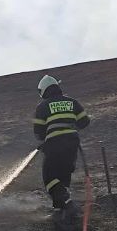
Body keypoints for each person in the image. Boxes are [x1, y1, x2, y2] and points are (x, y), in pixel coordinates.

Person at [33, 75, 90, 217]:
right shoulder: (72, 102)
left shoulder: (43, 106)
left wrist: (45, 141)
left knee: (49, 177)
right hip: (72, 144)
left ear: (44, 91)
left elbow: (38, 132)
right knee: (63, 175)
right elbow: (84, 121)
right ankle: (60, 208)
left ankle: (67, 203)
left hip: (54, 144)